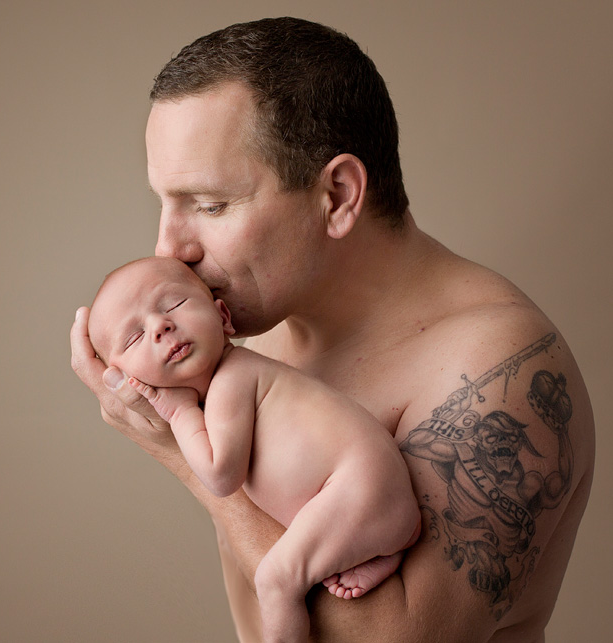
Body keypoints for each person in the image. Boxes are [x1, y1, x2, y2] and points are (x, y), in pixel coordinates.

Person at [70, 17, 594, 643]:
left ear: (339, 195)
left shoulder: (495, 369)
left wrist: (176, 449)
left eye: (210, 206)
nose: (168, 246)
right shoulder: (246, 339)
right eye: (165, 202)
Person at [88, 255, 421, 642]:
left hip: (360, 490)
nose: (160, 326)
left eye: (174, 305)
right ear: (126, 381)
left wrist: (175, 414)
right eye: (134, 337)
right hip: (373, 500)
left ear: (223, 318)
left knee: (275, 580)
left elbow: (221, 476)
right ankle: (382, 550)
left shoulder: (234, 378)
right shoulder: (225, 390)